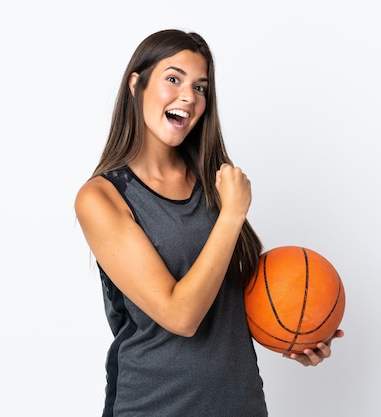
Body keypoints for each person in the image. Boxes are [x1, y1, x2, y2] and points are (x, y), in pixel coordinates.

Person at [75, 29, 343, 417]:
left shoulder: (215, 181)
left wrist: (297, 332)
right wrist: (233, 213)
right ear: (137, 84)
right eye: (173, 78)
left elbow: (231, 302)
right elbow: (180, 316)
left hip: (240, 403)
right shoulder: (102, 197)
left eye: (201, 87)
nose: (189, 96)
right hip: (153, 406)